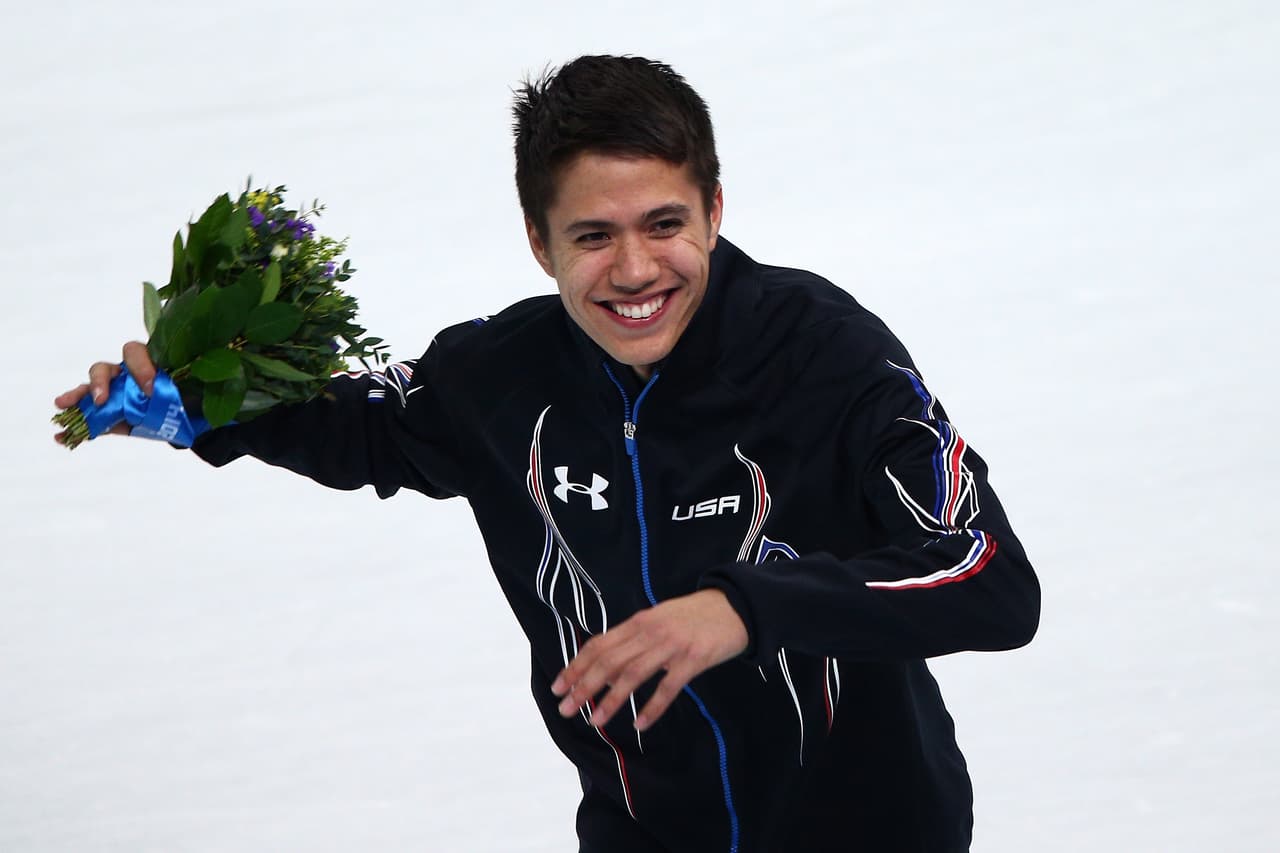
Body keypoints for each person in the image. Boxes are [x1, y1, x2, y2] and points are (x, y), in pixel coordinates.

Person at [55, 55, 1040, 853]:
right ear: (537, 241)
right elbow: (359, 426)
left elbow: (988, 576)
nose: (635, 270)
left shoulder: (820, 351)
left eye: (663, 224)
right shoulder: (496, 373)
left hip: (869, 831)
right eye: (592, 236)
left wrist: (745, 607)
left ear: (714, 208)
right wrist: (212, 402)